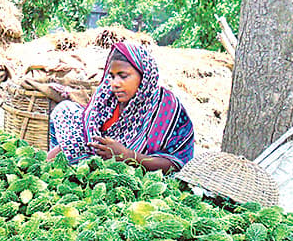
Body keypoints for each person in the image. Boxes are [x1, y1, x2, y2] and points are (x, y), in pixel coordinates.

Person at [47, 42, 194, 172]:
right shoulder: (106, 99)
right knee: (65, 110)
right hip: (90, 173)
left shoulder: (166, 106)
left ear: (144, 76)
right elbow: (83, 137)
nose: (114, 84)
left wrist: (128, 156)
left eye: (123, 76)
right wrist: (44, 165)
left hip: (136, 179)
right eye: (112, 76)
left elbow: (177, 163)